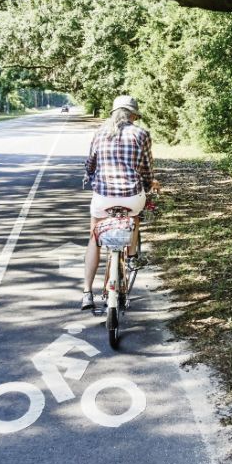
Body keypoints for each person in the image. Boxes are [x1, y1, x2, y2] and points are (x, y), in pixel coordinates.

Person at [81, 94, 160, 310]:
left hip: (103, 197)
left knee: (94, 237)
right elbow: (146, 167)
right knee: (133, 216)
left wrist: (89, 175)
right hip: (131, 196)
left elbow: (90, 163)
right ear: (133, 115)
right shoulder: (141, 134)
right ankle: (132, 256)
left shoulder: (99, 133)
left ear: (114, 113)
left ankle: (87, 293)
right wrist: (148, 183)